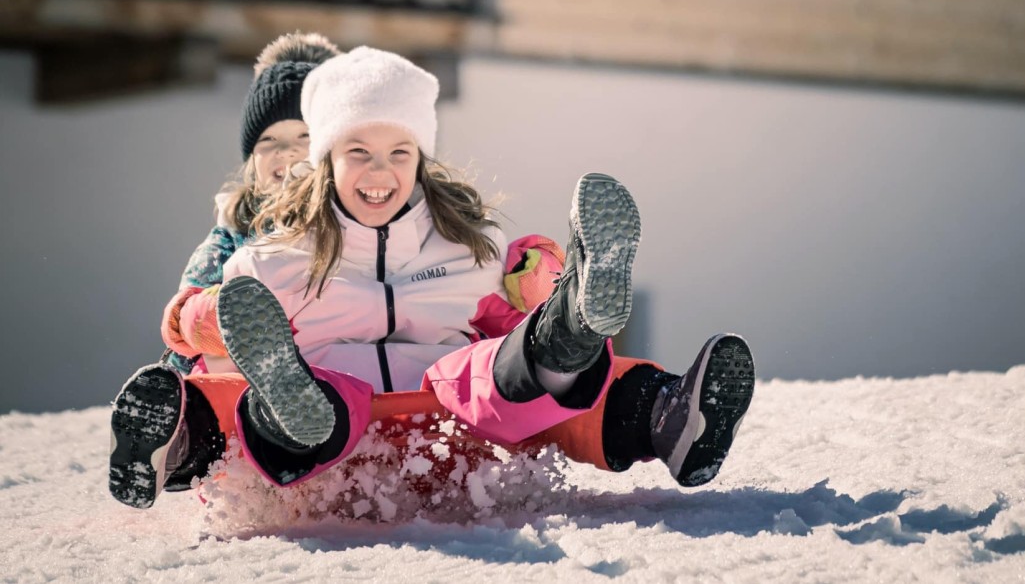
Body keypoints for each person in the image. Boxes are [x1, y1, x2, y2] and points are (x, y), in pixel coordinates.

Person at [108, 47, 755, 510]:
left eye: (399, 152)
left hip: (457, 431)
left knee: (495, 371)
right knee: (271, 396)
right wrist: (207, 317)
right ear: (324, 162)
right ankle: (185, 434)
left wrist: (543, 297)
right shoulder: (269, 260)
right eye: (357, 152)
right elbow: (202, 332)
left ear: (421, 161)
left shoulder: (468, 250)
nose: (379, 171)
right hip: (329, 445)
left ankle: (597, 348)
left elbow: (505, 318)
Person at [160, 31, 342, 374]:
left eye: (304, 137)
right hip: (251, 368)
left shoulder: (350, 216)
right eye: (268, 139)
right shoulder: (236, 228)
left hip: (331, 359)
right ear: (251, 158)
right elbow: (193, 300)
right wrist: (178, 373)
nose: (284, 151)